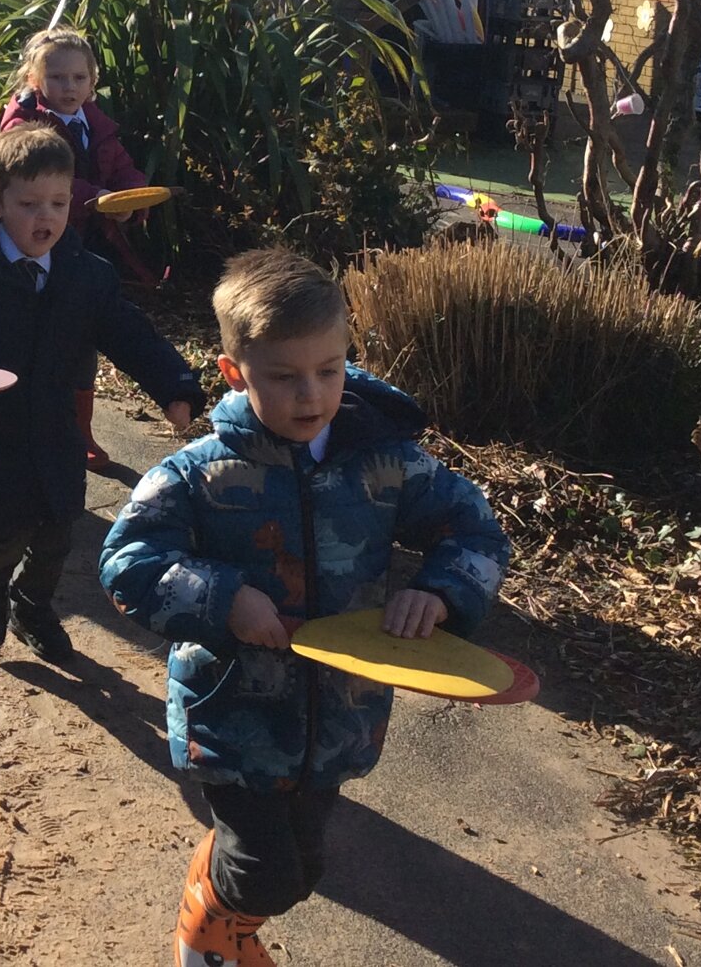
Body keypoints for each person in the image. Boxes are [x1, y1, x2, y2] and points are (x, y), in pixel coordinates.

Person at [100, 249, 511, 967]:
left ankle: (230, 895)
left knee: (305, 870)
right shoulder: (198, 475)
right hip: (233, 719)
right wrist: (224, 598)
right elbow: (127, 560)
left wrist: (440, 593)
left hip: (342, 720)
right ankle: (208, 926)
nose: (311, 394)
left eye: (330, 369)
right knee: (265, 872)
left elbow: (476, 529)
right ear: (234, 373)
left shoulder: (387, 461)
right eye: (284, 377)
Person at [0, 126, 201, 664]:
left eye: (57, 203)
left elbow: (129, 332)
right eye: (28, 204)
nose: (45, 217)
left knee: (57, 534)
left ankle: (31, 606)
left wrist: (174, 386)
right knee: (5, 533)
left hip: (55, 429)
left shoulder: (83, 274)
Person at [0, 28, 160, 470]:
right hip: (41, 244)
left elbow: (124, 168)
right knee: (38, 339)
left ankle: (80, 431)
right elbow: (43, 182)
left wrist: (133, 198)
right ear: (34, 79)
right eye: (56, 77)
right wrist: (99, 200)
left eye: (78, 77)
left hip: (88, 248)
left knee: (84, 336)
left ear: (93, 81)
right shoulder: (24, 125)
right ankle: (22, 426)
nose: (68, 87)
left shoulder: (96, 123)